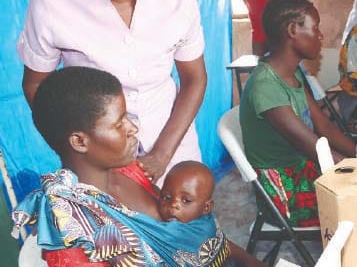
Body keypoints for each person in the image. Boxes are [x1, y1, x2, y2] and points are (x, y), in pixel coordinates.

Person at [17, 0, 207, 185]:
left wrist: (162, 154)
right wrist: (83, 151)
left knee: (182, 224)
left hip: (172, 144)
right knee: (110, 230)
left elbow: (194, 79)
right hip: (98, 156)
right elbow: (36, 85)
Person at [11, 67, 264, 267]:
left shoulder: (130, 172)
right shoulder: (73, 233)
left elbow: (192, 232)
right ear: (79, 141)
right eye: (119, 124)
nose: (133, 128)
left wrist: (249, 261)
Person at [240, 0, 356, 227]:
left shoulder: (292, 73)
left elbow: (324, 128)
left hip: (302, 168)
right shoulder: (266, 86)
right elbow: (315, 148)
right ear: (293, 30)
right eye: (316, 27)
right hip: (284, 192)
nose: (321, 35)